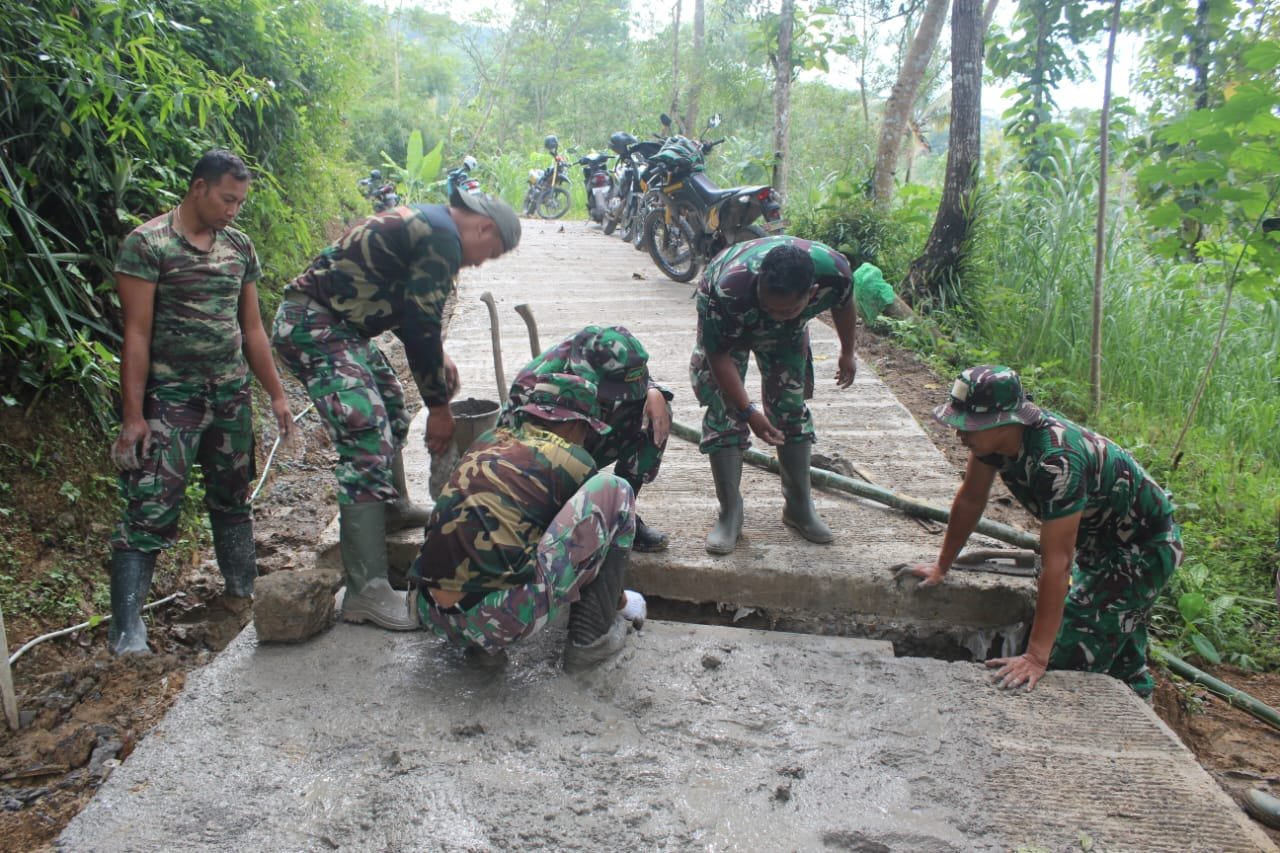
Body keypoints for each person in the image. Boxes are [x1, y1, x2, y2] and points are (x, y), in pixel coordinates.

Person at [272, 191, 520, 631]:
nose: (481, 262)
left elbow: (410, 309)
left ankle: (385, 508)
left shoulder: (430, 223)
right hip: (314, 326)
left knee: (389, 404)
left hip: (343, 328)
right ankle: (365, 591)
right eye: (491, 253)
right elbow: (423, 322)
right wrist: (440, 410)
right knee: (366, 436)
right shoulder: (443, 237)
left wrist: (436, 355)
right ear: (484, 228)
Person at [108, 149, 293, 655]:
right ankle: (126, 630)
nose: (233, 210)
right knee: (150, 505)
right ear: (198, 188)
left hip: (229, 393)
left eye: (240, 202)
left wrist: (275, 394)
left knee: (233, 496)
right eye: (227, 199)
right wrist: (132, 417)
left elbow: (251, 328)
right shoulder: (148, 245)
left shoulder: (238, 247)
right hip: (171, 397)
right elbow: (137, 335)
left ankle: (241, 590)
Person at [903, 365, 1183, 697]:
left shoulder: (1057, 462)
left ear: (1003, 421)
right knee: (1112, 621)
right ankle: (1136, 692)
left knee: (1074, 646)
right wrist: (942, 566)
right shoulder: (992, 445)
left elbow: (1058, 564)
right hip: (1101, 539)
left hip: (1143, 547)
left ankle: (1126, 700)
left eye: (969, 426)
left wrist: (1036, 657)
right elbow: (971, 499)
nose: (959, 434)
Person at [410, 373, 644, 668]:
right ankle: (591, 640)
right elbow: (588, 536)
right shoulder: (573, 460)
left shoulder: (487, 440)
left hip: (428, 611)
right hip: (496, 618)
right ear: (576, 424)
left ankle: (481, 648)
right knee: (615, 490)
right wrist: (621, 602)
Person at [691, 236, 857, 554]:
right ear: (760, 286)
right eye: (769, 307)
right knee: (723, 406)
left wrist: (848, 351)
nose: (775, 316)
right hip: (732, 318)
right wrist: (749, 411)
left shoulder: (835, 273)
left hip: (790, 334)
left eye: (786, 309)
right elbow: (719, 355)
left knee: (790, 407)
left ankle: (798, 507)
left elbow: (844, 303)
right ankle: (730, 512)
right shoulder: (730, 288)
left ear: (810, 294)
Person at [499, 325, 673, 551]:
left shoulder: (604, 353)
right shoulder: (531, 387)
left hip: (590, 436)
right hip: (542, 462)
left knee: (656, 412)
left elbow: (630, 375)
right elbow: (506, 456)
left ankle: (620, 513)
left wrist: (654, 391)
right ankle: (555, 520)